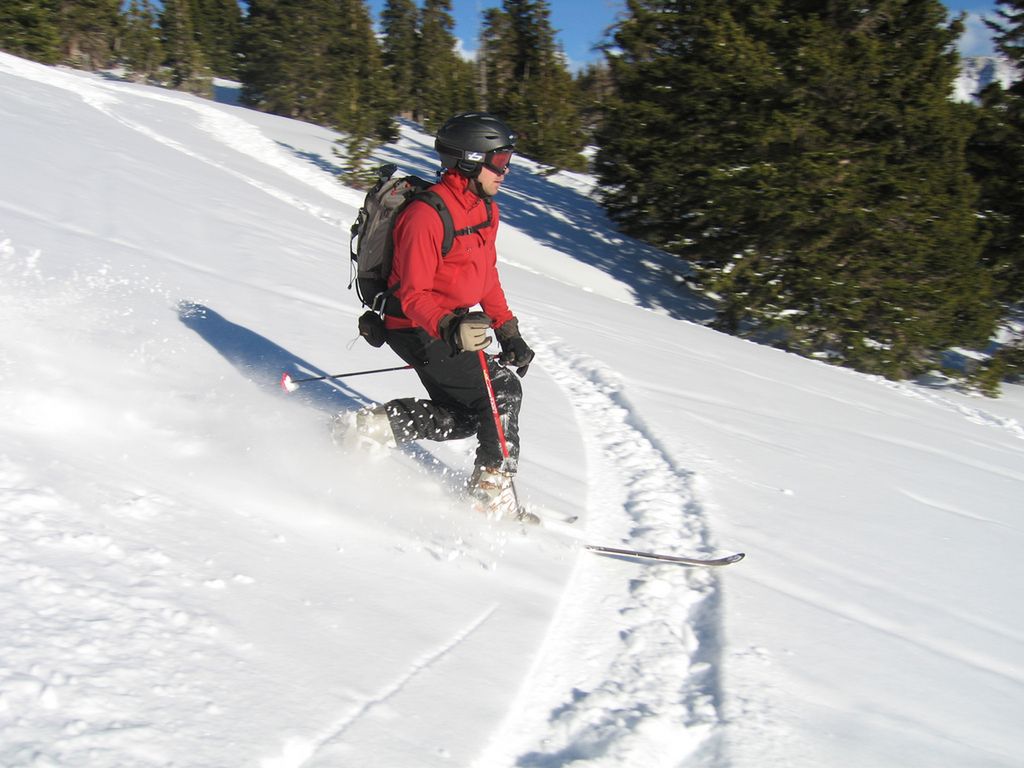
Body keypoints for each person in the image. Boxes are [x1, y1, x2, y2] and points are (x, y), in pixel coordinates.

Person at [349, 113, 535, 518]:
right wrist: (451, 326)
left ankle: (377, 427)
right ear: (470, 160)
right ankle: (489, 494)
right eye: (499, 162)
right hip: (415, 325)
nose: (505, 172)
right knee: (501, 393)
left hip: (448, 325)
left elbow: (485, 277)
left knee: (470, 415)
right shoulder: (426, 216)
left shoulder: (486, 211)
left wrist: (509, 331)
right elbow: (411, 294)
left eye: (508, 162)